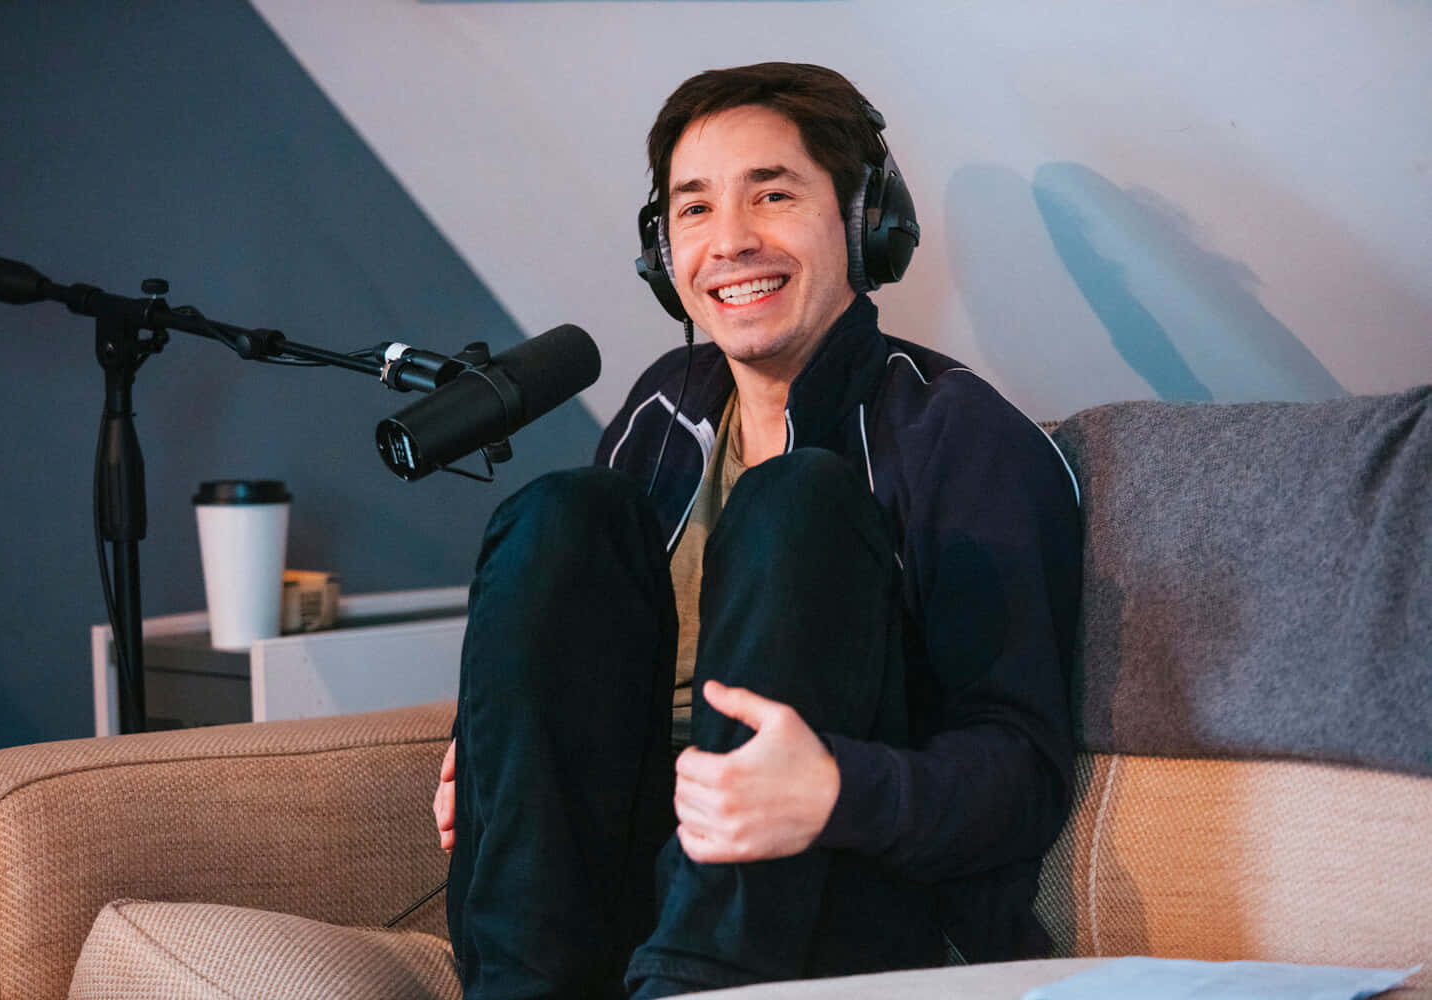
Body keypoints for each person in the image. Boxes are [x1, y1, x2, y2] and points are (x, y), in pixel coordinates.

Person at [434, 62, 1081, 999]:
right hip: (605, 891)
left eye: (772, 195)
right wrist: (495, 744)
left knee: (797, 498)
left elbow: (1021, 770)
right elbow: (565, 645)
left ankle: (701, 980)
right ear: (664, 253)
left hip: (822, 891)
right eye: (694, 210)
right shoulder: (663, 406)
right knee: (559, 512)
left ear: (866, 224)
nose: (730, 242)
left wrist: (835, 790)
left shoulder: (962, 437)